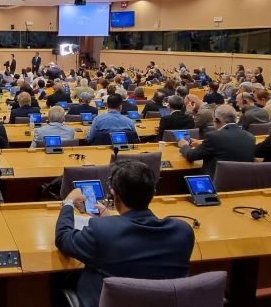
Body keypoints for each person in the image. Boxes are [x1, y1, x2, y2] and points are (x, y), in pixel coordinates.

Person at [55, 159, 193, 307]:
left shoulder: (101, 231)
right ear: (153, 193)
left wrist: (68, 202)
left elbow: (63, 238)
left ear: (114, 195)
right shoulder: (183, 232)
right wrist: (112, 220)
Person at [178, 105, 255, 176]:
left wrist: (184, 145)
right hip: (242, 183)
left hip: (215, 182)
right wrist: (203, 143)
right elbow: (228, 146)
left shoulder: (213, 136)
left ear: (216, 120)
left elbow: (192, 156)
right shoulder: (250, 137)